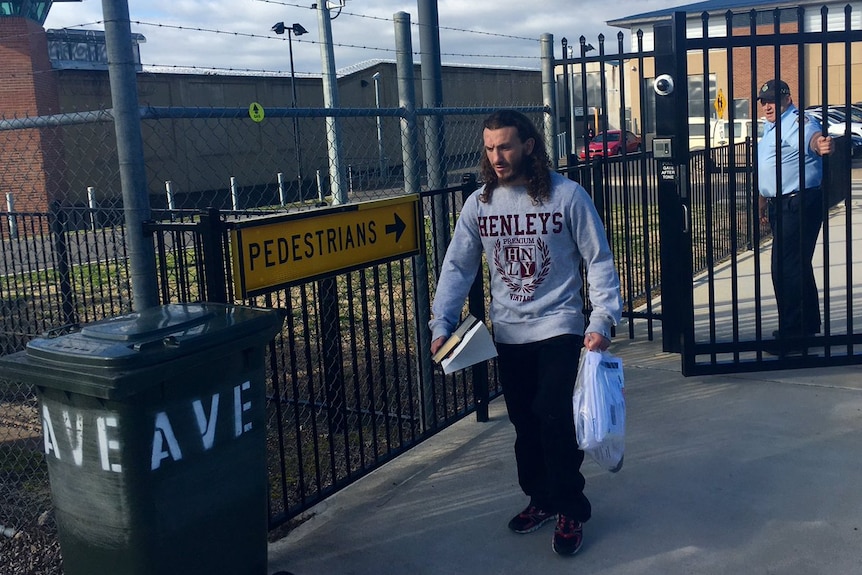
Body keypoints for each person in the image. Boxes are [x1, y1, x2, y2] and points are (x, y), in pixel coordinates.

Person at [429, 110, 622, 556]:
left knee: (553, 414)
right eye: (490, 148)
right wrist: (442, 323)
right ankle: (542, 497)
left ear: (529, 146)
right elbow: (457, 267)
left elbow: (599, 259)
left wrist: (601, 319)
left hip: (561, 325)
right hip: (509, 332)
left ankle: (571, 506)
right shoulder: (480, 204)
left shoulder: (567, 196)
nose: (497, 157)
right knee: (525, 422)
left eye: (506, 147)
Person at [756, 79, 832, 351]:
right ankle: (807, 326)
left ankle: (794, 335)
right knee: (796, 266)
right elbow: (770, 166)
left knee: (785, 269)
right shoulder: (771, 127)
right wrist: (763, 199)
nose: (767, 106)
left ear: (787, 98)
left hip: (798, 204)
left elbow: (810, 138)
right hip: (782, 205)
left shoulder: (796, 121)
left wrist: (818, 144)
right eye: (764, 101)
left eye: (773, 100)